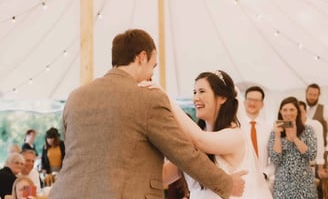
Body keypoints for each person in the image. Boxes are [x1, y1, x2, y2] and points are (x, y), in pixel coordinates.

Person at [49, 29, 246, 199]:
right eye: (153, 65)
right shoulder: (147, 98)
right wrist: (226, 184)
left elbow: (73, 149)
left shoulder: (75, 97)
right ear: (142, 57)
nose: (152, 75)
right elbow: (183, 153)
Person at [147, 70, 272, 198]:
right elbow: (163, 176)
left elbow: (201, 140)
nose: (195, 98)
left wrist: (166, 99)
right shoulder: (194, 142)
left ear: (222, 98)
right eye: (194, 92)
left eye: (202, 91)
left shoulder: (235, 136)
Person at [268, 96, 318, 198]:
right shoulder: (275, 132)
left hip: (305, 183)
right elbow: (275, 159)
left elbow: (312, 155)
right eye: (285, 110)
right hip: (283, 185)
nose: (288, 113)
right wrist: (278, 136)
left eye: (292, 109)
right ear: (280, 112)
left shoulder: (308, 130)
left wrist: (295, 138)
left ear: (297, 112)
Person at [240, 86, 274, 188]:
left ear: (262, 104)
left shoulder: (269, 129)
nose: (252, 103)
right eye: (249, 99)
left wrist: (265, 174)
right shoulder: (236, 127)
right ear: (244, 102)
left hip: (262, 183)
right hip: (241, 182)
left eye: (256, 100)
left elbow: (275, 159)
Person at [299, 100, 327, 199]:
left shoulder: (315, 124)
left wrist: (320, 168)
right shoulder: (291, 126)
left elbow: (320, 146)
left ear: (305, 111)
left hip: (312, 166)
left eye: (300, 111)